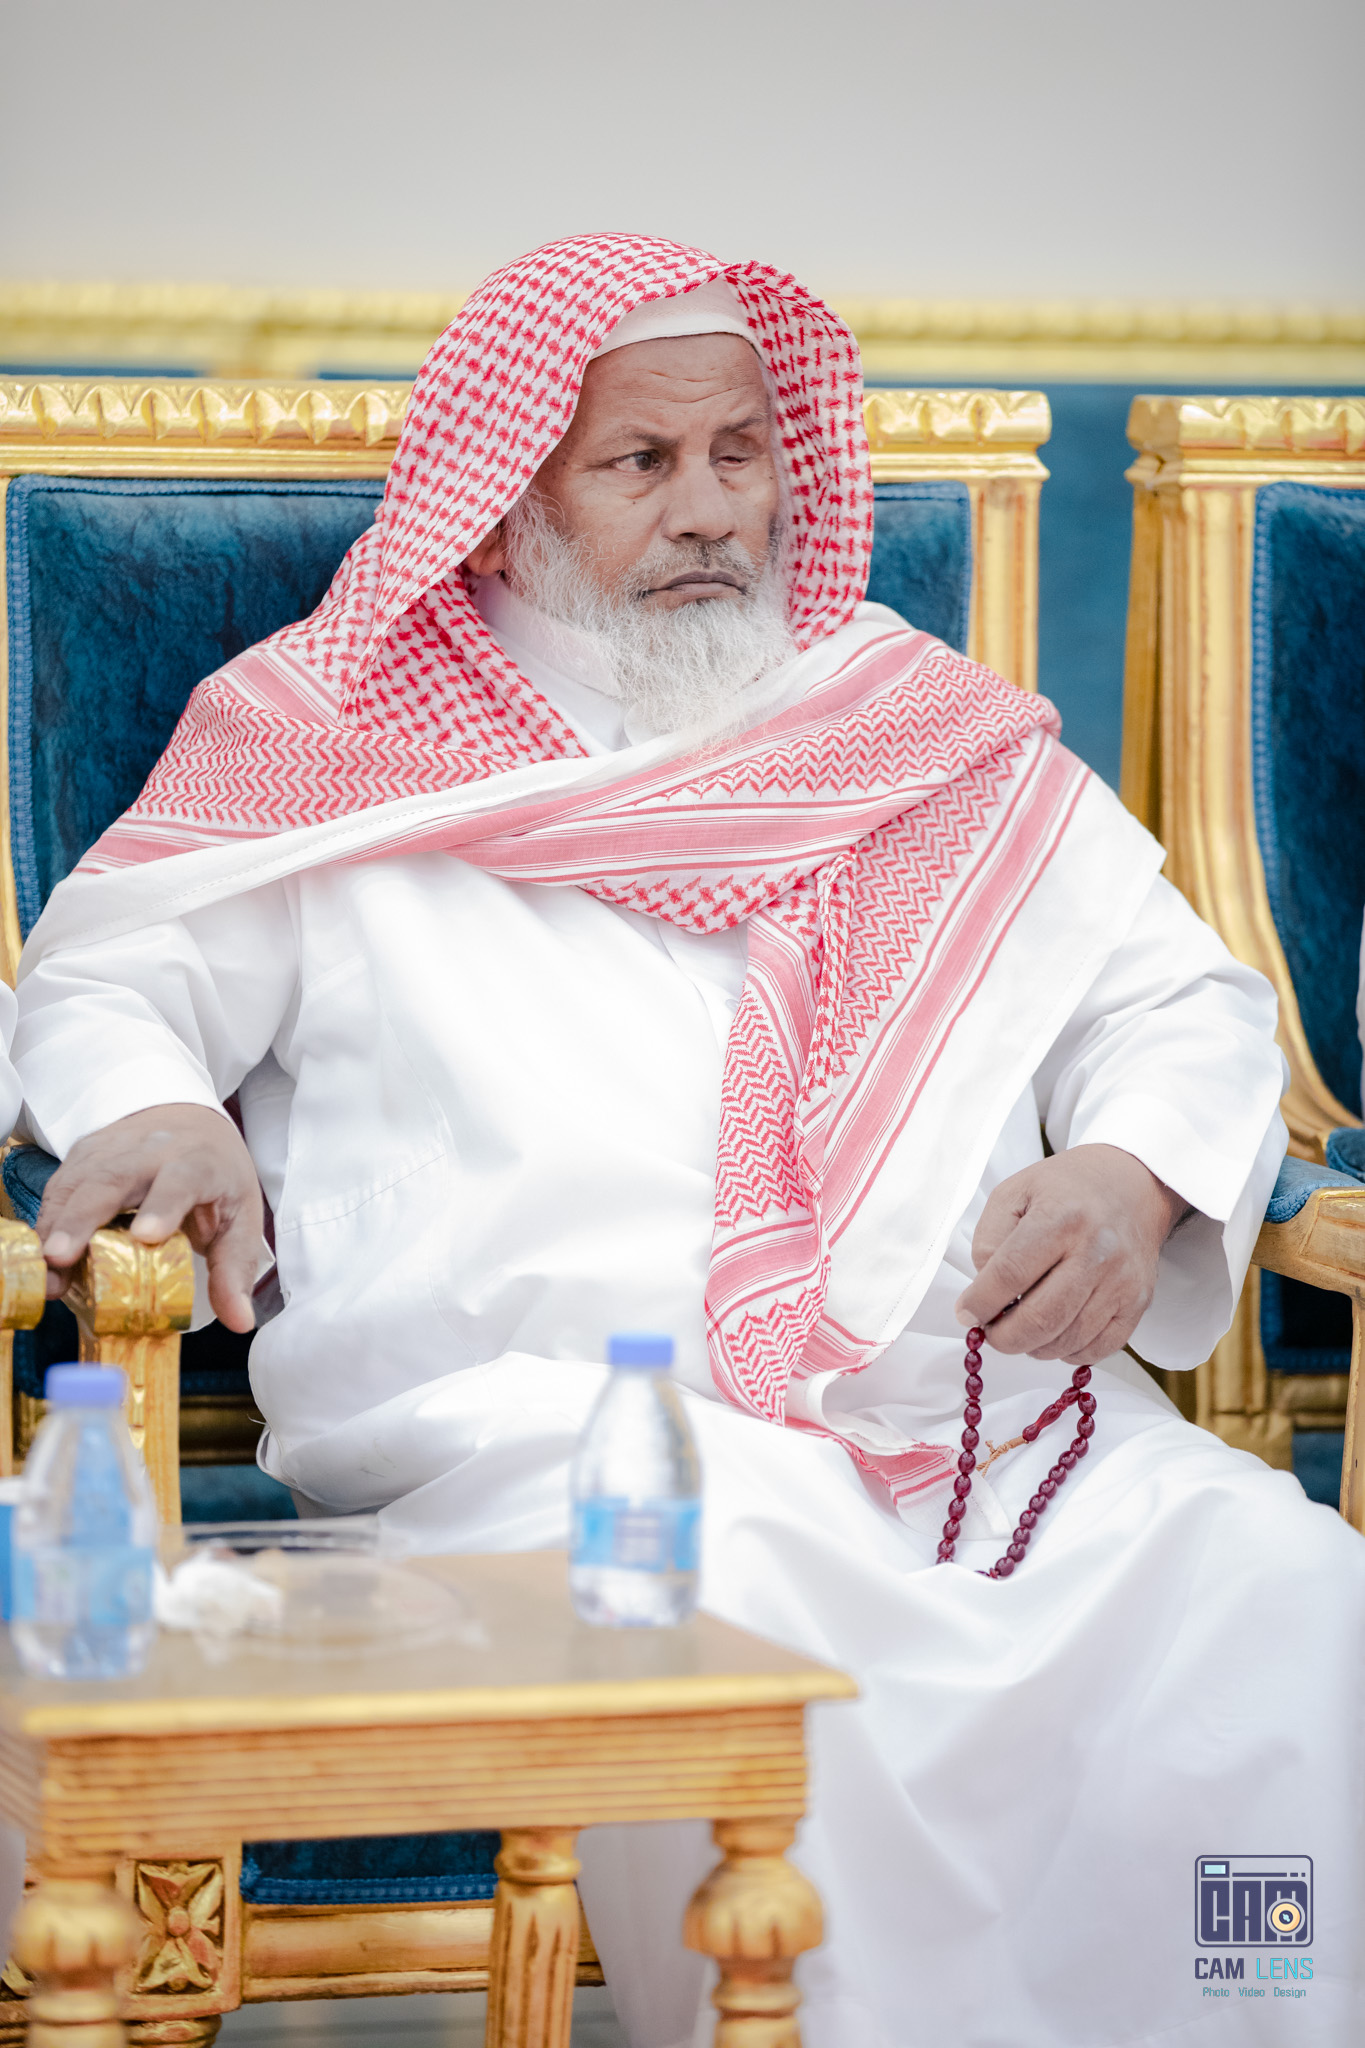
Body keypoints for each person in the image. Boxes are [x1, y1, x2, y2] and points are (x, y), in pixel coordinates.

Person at [9, 236, 1363, 2047]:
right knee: (737, 1605)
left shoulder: (912, 726)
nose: (713, 508)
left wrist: (1132, 1170)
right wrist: (164, 1104)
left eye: (740, 453)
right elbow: (111, 971)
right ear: (505, 502)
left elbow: (1179, 1001)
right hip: (561, 1428)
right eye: (639, 463)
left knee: (1278, 1588)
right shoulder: (325, 739)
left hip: (974, 1425)